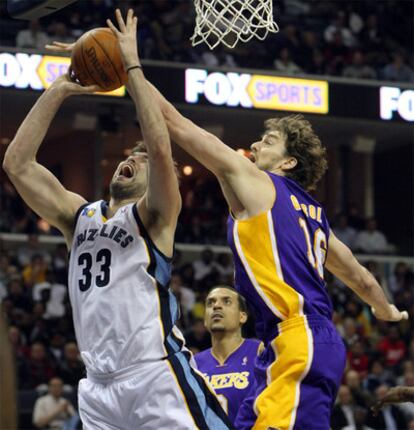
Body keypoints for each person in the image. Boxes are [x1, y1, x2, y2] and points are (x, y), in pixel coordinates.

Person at [4, 9, 231, 430]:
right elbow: (17, 164)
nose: (131, 158)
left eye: (139, 159)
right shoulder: (78, 217)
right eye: (129, 155)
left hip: (155, 375)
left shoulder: (156, 215)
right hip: (97, 388)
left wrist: (131, 66)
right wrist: (58, 89)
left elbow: (162, 150)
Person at [145, 79, 408, 429]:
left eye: (268, 141)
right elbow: (360, 277)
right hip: (288, 342)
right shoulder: (315, 217)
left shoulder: (263, 186)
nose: (255, 143)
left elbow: (177, 123)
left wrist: (131, 68)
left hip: (300, 337)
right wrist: (385, 309)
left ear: (288, 162)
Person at [195, 286, 261, 425]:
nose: (216, 306)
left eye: (226, 301)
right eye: (210, 303)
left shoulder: (260, 352)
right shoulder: (193, 365)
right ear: (205, 321)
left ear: (242, 316)